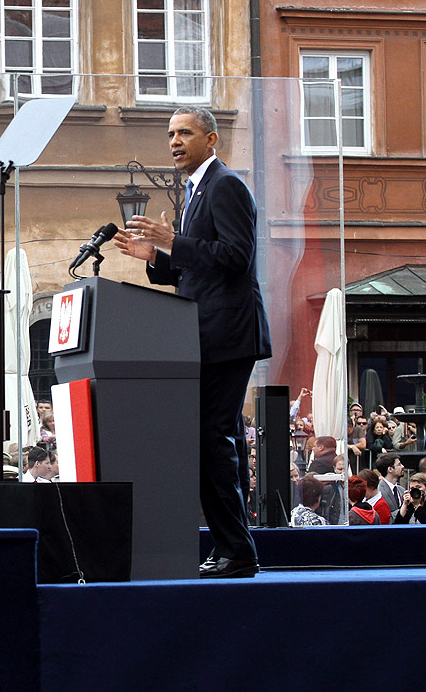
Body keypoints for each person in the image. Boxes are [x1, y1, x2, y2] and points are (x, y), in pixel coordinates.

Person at [115, 106, 270, 579]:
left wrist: (174, 241)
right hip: (204, 334)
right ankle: (232, 546)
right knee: (213, 441)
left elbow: (236, 258)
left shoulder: (225, 184)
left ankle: (236, 550)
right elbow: (197, 267)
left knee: (210, 439)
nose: (174, 142)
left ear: (212, 139)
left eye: (185, 133)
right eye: (170, 134)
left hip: (226, 334)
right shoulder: (195, 188)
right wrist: (157, 257)